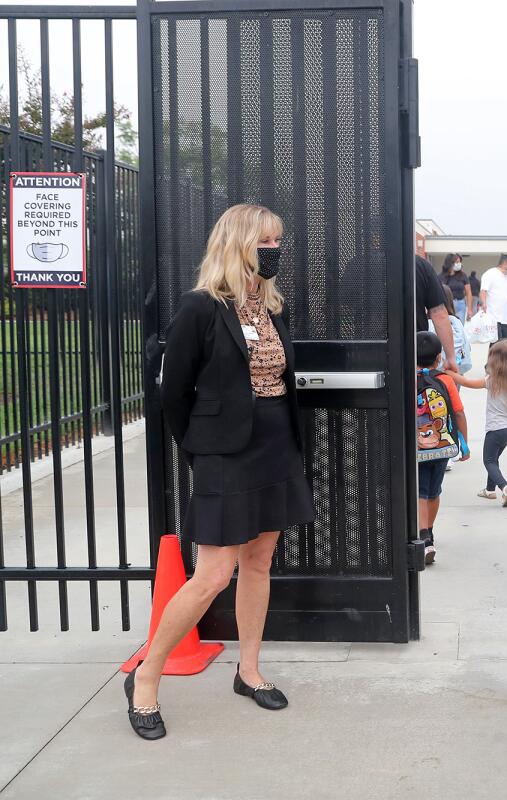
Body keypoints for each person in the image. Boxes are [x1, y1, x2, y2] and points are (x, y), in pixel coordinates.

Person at [128, 204, 317, 740]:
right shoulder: (200, 308)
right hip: (225, 453)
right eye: (267, 240)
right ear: (238, 243)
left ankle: (248, 671)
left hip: (275, 441)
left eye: (279, 241)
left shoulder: (270, 307)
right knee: (211, 575)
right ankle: (147, 677)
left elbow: (277, 376)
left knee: (259, 563)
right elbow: (173, 392)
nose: (275, 250)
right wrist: (199, 449)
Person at [451, 339, 507, 507]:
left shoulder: (492, 380)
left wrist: (449, 374)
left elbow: (466, 383)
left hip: (495, 429)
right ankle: (489, 490)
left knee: (488, 461)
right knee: (494, 459)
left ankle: (505, 488)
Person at [415, 331, 469, 565]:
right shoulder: (446, 380)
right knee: (434, 492)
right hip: (442, 448)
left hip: (415, 448)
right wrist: (463, 444)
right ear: (438, 358)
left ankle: (424, 537)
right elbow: (458, 412)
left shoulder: (407, 379)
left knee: (420, 492)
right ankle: (430, 532)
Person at [417, 254, 458, 372]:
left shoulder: (365, 262)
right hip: (414, 351)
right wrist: (450, 358)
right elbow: (439, 314)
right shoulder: (420, 265)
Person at [431, 284, 472, 375]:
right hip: (457, 369)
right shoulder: (456, 321)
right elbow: (467, 346)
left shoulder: (429, 323)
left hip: (436, 373)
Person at [479, 254, 507, 342]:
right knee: (496, 344)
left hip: (505, 319)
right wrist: (484, 304)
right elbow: (483, 290)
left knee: (506, 344)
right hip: (494, 318)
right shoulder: (490, 273)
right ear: (506, 263)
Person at [441, 252, 473, 322]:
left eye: (460, 262)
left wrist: (470, 309)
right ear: (450, 263)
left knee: (459, 327)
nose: (459, 264)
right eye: (457, 262)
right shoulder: (441, 276)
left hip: (460, 304)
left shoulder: (463, 275)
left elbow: (468, 292)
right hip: (446, 305)